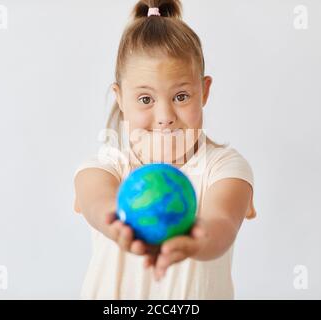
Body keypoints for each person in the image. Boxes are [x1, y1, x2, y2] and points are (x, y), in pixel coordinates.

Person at [73, 0, 257, 299]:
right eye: (145, 99)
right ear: (120, 98)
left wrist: (198, 241)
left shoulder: (225, 168)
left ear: (204, 91)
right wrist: (117, 223)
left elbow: (222, 221)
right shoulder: (106, 167)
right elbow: (96, 202)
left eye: (181, 96)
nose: (165, 115)